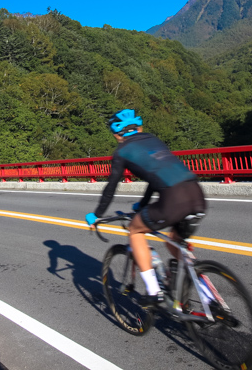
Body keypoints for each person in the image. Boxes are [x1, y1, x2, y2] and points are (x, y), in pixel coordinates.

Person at [84, 109, 207, 306]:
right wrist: (142, 204)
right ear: (139, 127)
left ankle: (153, 291)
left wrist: (97, 214)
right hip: (196, 193)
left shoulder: (121, 151)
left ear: (117, 134)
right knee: (174, 243)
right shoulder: (153, 139)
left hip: (173, 200)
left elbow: (111, 186)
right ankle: (208, 294)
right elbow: (156, 175)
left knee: (134, 230)